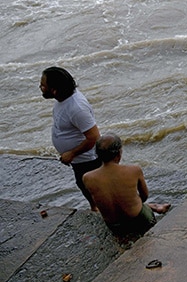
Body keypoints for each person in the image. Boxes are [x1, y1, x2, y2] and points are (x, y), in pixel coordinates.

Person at [82, 134, 170, 237]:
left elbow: (99, 202)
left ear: (98, 154)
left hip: (115, 226)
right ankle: (154, 207)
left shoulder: (87, 178)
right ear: (119, 154)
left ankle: (154, 207)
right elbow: (144, 196)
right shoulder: (134, 170)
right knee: (132, 201)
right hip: (139, 220)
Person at [41, 66, 102, 211]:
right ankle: (95, 208)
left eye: (43, 85)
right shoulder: (63, 98)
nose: (40, 88)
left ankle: (101, 210)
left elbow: (94, 137)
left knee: (94, 187)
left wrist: (72, 153)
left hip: (88, 159)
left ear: (54, 90)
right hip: (78, 160)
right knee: (82, 185)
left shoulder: (77, 108)